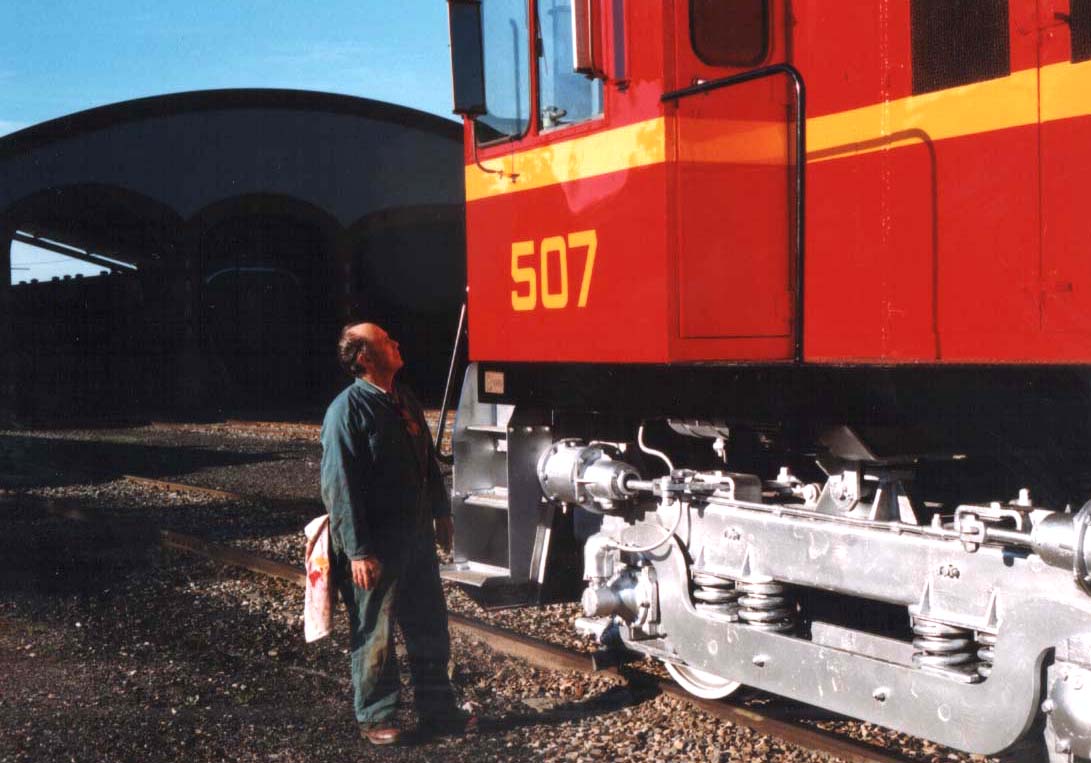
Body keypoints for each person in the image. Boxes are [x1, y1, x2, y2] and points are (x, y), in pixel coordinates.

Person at [320, 321, 467, 745]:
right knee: (375, 632)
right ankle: (376, 716)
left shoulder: (403, 400)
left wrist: (441, 513)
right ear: (365, 356)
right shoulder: (346, 411)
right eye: (386, 341)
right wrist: (357, 551)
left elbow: (426, 464)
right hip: (376, 546)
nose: (396, 342)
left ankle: (438, 712)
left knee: (429, 627)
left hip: (416, 539)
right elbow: (339, 487)